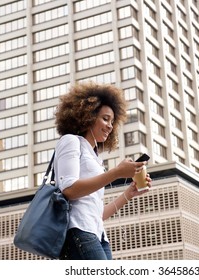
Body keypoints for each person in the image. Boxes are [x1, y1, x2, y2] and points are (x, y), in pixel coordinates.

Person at [54, 81, 151, 260]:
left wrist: (129, 193)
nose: (110, 126)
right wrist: (116, 173)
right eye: (105, 119)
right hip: (79, 231)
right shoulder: (71, 141)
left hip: (97, 234)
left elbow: (97, 214)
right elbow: (69, 190)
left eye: (112, 122)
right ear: (88, 116)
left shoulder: (96, 158)